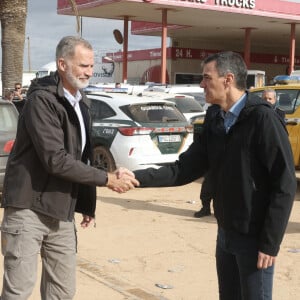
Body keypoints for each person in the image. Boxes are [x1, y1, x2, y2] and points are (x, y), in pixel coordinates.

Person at [132, 51, 296, 299]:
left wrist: (270, 244)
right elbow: (184, 168)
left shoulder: (262, 118)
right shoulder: (215, 118)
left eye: (207, 77)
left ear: (228, 79)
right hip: (226, 235)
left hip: (254, 240)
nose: (201, 84)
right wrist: (136, 178)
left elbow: (284, 184)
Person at [0, 36, 139, 300]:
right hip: (28, 209)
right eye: (83, 65)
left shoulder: (81, 103)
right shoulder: (41, 101)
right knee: (18, 291)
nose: (88, 71)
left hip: (62, 211)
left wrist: (85, 202)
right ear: (62, 64)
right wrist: (107, 180)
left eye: (90, 66)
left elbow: (81, 157)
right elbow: (56, 159)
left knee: (62, 292)